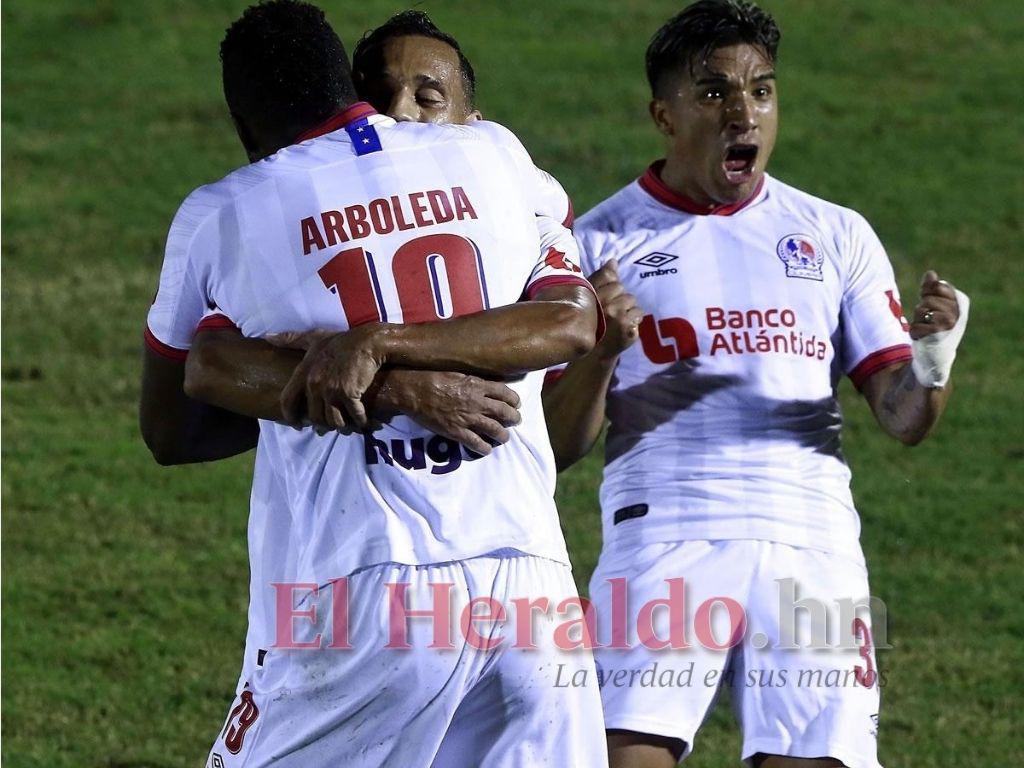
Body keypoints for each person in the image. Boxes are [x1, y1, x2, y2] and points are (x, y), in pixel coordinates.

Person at [142, 2, 609, 766]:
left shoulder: (230, 210)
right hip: (534, 596)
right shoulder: (496, 156)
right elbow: (570, 321)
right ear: (346, 89)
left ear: (243, 124)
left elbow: (177, 417)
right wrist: (407, 385)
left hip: (365, 591)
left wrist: (364, 356)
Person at [542, 1, 970, 767]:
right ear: (664, 116)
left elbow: (904, 418)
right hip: (663, 534)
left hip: (812, 543)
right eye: (714, 93)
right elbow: (556, 445)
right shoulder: (597, 244)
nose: (745, 113)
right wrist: (602, 350)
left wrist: (933, 352)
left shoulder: (837, 234)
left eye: (762, 91)